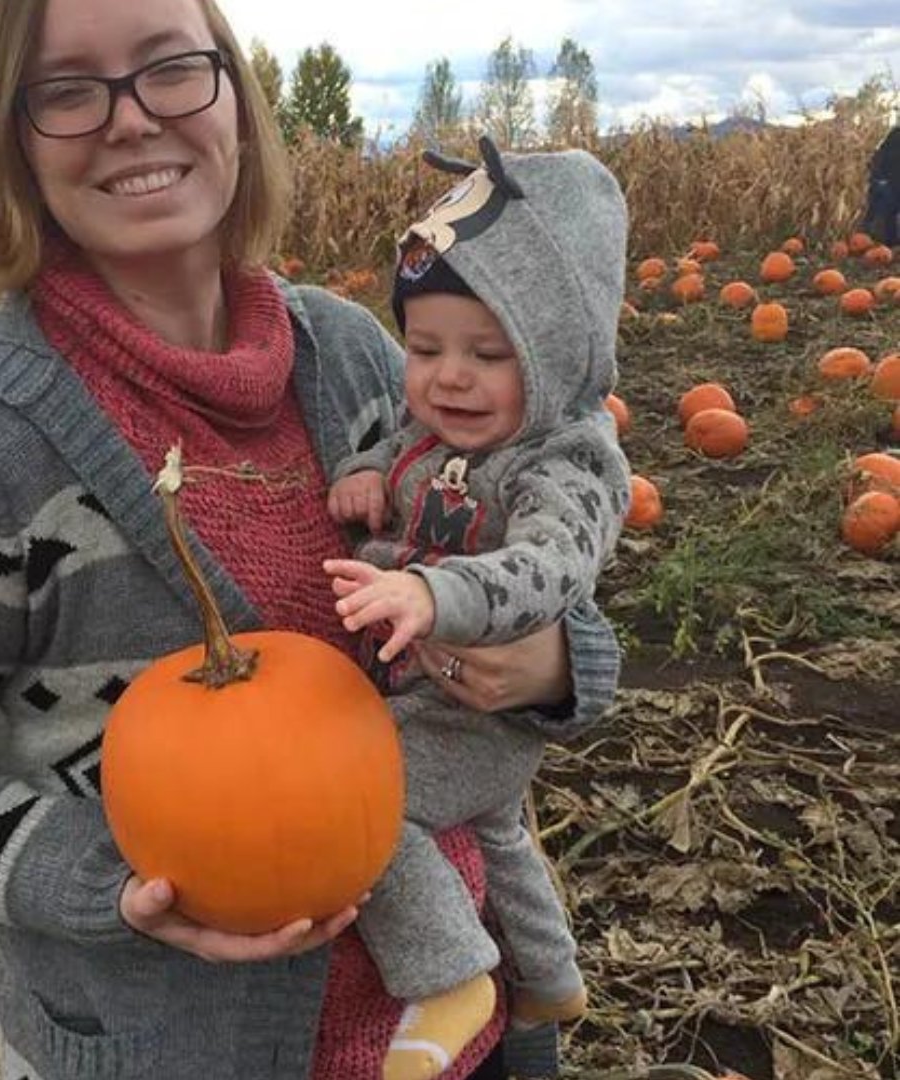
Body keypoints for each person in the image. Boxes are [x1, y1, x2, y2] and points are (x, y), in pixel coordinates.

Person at [0, 0, 624, 1077]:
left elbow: (519, 553)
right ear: (13, 142)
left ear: (235, 106)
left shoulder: (354, 355)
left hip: (449, 1025)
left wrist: (560, 663)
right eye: (68, 91)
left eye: (170, 70)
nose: (132, 119)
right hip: (169, 1047)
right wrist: (105, 879)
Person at [323, 139, 630, 1080]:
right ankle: (548, 975)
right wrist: (364, 470)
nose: (448, 377)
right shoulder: (441, 423)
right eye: (424, 349)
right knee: (498, 831)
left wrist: (431, 592)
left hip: (479, 709)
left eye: (487, 354)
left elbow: (549, 570)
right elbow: (393, 436)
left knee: (361, 801)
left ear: (557, 354)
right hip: (441, 699)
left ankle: (453, 976)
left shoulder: (567, 462)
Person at [862, 126, 900, 247]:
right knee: (889, 210)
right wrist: (879, 178)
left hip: (891, 181)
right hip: (891, 181)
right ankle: (890, 243)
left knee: (890, 211)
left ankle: (890, 243)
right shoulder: (895, 134)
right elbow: (880, 156)